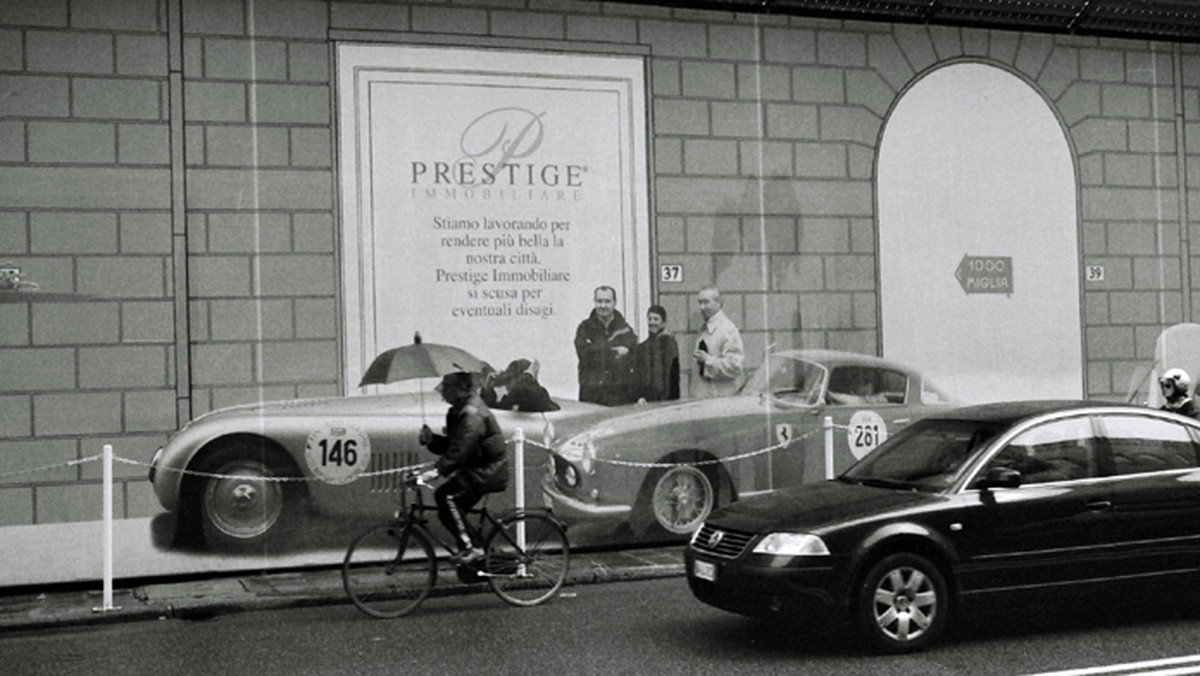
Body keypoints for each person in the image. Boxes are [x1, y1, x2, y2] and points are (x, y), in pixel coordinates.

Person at [418, 371, 508, 564]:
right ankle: (482, 558)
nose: (442, 390)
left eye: (447, 386)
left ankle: (474, 549)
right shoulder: (458, 410)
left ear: (461, 389)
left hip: (488, 470)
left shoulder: (471, 412)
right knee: (448, 510)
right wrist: (431, 440)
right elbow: (454, 444)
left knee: (446, 497)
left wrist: (437, 471)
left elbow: (462, 447)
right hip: (478, 470)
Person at [574, 285, 638, 405]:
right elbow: (584, 354)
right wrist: (613, 351)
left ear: (615, 303)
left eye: (607, 301)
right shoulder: (584, 328)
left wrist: (597, 349)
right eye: (599, 301)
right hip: (591, 395)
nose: (603, 305)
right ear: (594, 302)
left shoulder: (625, 329)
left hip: (620, 396)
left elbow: (633, 357)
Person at [692, 285, 744, 398]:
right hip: (705, 397)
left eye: (706, 302)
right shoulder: (704, 329)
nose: (702, 307)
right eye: (700, 303)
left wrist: (708, 361)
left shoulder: (727, 329)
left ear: (719, 303)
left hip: (721, 399)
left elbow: (735, 366)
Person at [634, 304, 680, 403]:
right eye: (650, 319)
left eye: (656, 319)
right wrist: (639, 395)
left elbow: (673, 375)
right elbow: (639, 375)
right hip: (647, 399)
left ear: (663, 322)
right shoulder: (642, 348)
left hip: (665, 398)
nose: (652, 322)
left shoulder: (669, 344)